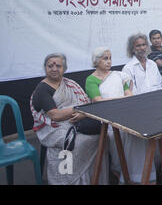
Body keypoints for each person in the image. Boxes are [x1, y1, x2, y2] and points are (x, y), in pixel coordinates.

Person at [30, 53, 108, 185]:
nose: (54, 69)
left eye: (58, 66)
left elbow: (86, 105)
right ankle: (70, 179)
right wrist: (79, 109)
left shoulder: (70, 84)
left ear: (64, 68)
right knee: (78, 142)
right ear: (45, 68)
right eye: (50, 66)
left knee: (102, 136)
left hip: (74, 121)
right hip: (54, 128)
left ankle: (94, 178)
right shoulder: (42, 89)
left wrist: (83, 113)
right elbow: (55, 115)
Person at [85, 48, 156, 184]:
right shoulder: (91, 80)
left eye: (110, 58)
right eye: (105, 58)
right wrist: (120, 100)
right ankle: (122, 171)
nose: (109, 61)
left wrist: (126, 100)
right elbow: (97, 101)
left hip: (125, 112)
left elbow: (128, 94)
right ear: (96, 61)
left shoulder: (118, 75)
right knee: (120, 135)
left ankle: (141, 175)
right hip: (106, 118)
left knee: (140, 133)